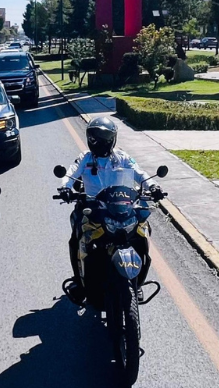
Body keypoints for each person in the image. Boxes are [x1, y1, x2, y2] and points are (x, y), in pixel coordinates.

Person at [58, 115, 152, 303]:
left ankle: (137, 282)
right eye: (96, 137)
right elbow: (70, 173)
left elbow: (139, 173)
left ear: (112, 139)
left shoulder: (122, 157)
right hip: (93, 208)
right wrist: (65, 188)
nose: (101, 141)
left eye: (105, 137)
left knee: (141, 233)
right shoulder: (85, 158)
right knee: (76, 237)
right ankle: (79, 281)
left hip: (121, 207)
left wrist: (153, 186)